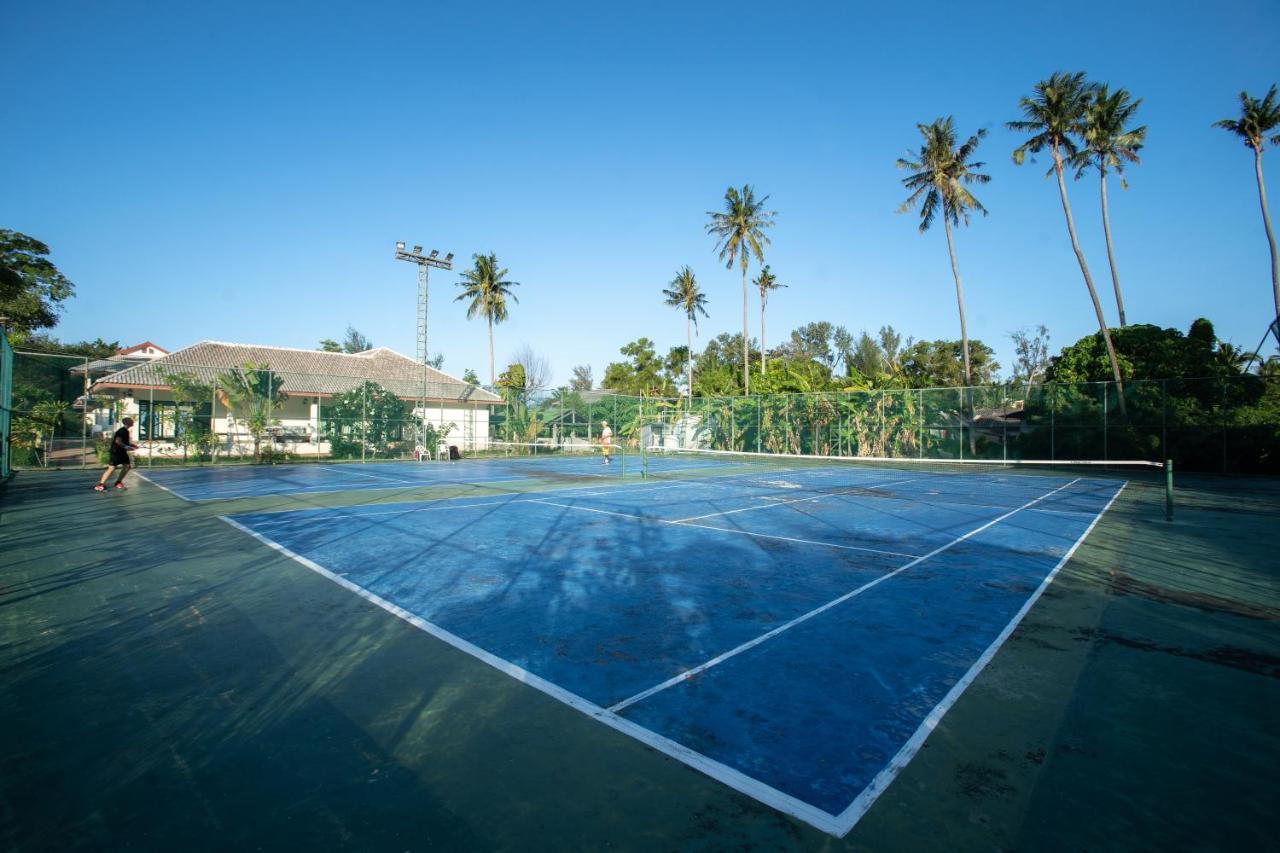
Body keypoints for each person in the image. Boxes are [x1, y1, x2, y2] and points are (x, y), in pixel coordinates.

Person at [95, 416, 139, 491]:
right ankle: (100, 485)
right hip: (116, 452)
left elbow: (124, 442)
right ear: (127, 423)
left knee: (127, 466)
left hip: (122, 452)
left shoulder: (126, 431)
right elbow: (118, 441)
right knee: (112, 468)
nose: (133, 422)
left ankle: (118, 482)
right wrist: (126, 447)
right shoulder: (122, 431)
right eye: (131, 421)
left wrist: (132, 445)